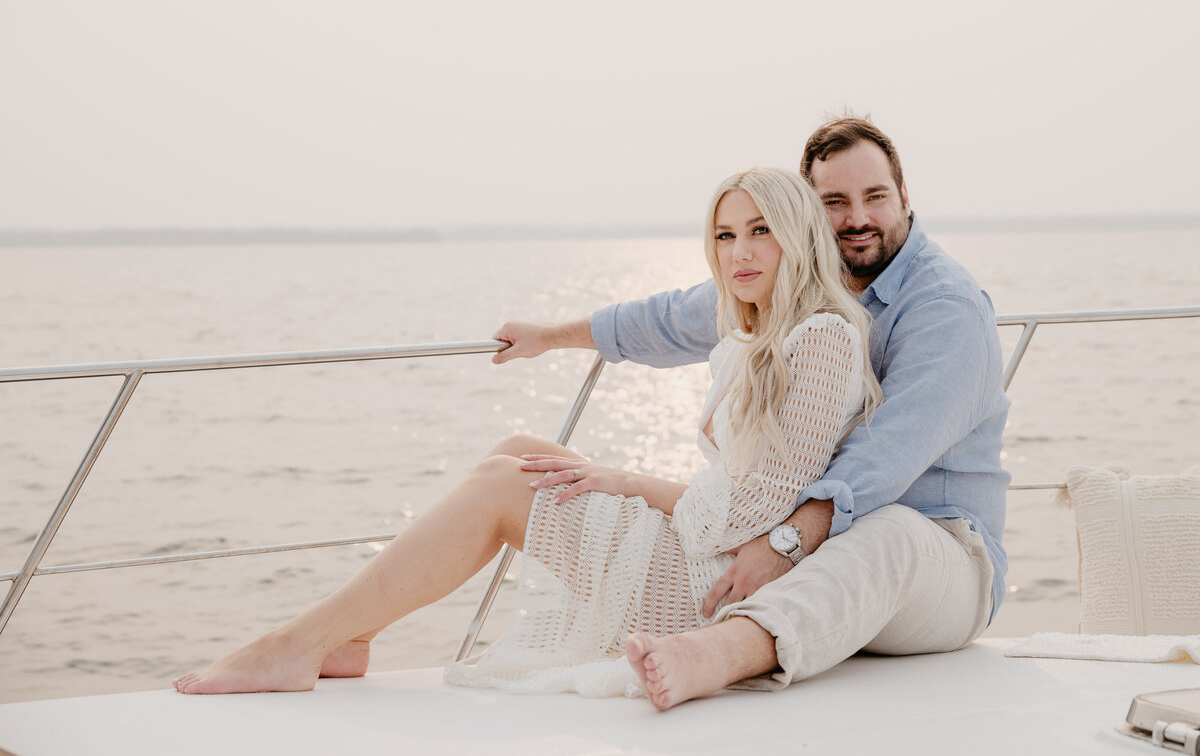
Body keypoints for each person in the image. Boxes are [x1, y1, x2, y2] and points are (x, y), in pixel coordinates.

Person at [172, 166, 881, 697]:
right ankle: (353, 633)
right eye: (725, 235)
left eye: (760, 230)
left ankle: (295, 644)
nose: (739, 252)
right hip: (706, 549)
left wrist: (625, 481)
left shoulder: (821, 338)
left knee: (501, 489)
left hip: (715, 581)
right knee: (519, 453)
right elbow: (661, 337)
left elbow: (757, 511)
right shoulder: (761, 334)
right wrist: (556, 349)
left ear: (797, 235)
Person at [493, 117, 1009, 709]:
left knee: (890, 531)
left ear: (905, 197)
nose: (857, 219)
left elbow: (886, 455)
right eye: (834, 202)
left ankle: (714, 654)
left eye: (875, 197)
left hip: (940, 556)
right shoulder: (797, 278)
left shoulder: (945, 307)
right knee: (522, 459)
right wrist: (550, 336)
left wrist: (783, 542)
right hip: (810, 536)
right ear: (807, 215)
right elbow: (675, 317)